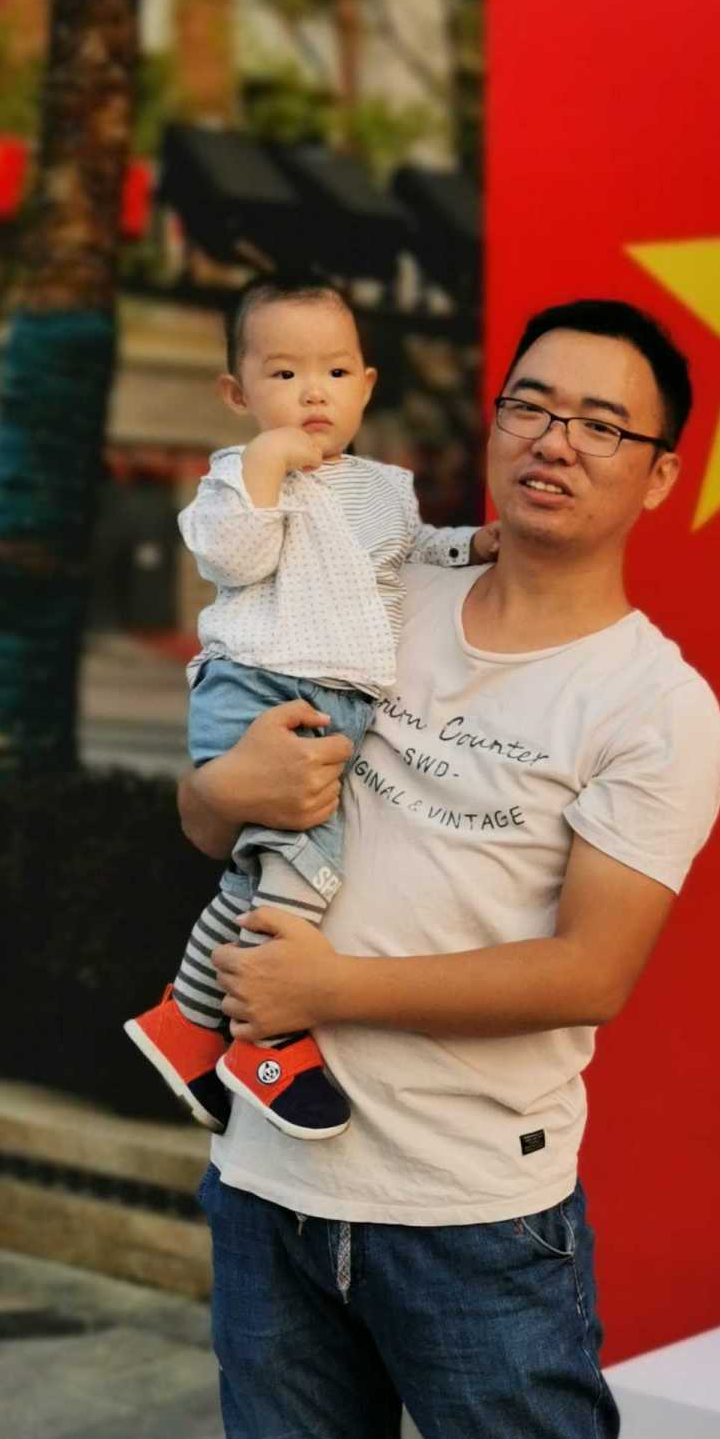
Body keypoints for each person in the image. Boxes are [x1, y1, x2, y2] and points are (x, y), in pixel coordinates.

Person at [176, 298, 720, 1439]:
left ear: (659, 472)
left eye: (602, 422)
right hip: (274, 1180)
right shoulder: (373, 574)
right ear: (489, 421)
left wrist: (331, 990)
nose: (556, 439)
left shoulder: (654, 706)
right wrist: (223, 786)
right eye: (531, 403)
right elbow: (214, 805)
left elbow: (593, 972)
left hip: (477, 1215)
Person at [128, 277, 495, 1143]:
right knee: (307, 867)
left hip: (336, 695)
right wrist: (266, 465)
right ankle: (267, 1038)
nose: (312, 394)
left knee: (264, 872)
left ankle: (187, 1021)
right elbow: (233, 560)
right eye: (285, 375)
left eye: (333, 373)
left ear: (366, 386)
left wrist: (471, 545)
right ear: (238, 394)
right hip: (259, 687)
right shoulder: (236, 478)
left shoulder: (383, 487)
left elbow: (409, 554)